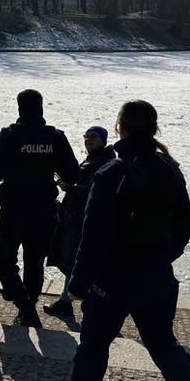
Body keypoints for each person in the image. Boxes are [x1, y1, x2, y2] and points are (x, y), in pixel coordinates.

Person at [46, 100, 190, 381]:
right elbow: (184, 226)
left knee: (93, 347)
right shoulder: (169, 168)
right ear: (153, 128)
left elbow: (92, 238)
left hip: (112, 282)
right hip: (156, 278)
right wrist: (160, 258)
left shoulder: (112, 173)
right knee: (166, 349)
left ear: (120, 128)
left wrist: (77, 284)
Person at [0, 89, 79, 328]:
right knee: (34, 263)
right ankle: (27, 305)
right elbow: (73, 173)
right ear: (41, 107)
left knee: (3, 261)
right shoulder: (55, 137)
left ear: (19, 108)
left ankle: (24, 305)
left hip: (12, 211)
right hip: (44, 213)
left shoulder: (10, 136)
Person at [44, 125, 117, 318]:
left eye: (94, 137)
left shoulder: (102, 162)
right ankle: (67, 301)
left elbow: (92, 191)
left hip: (82, 221)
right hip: (77, 218)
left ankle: (72, 303)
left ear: (103, 139)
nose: (88, 140)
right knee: (75, 261)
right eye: (86, 136)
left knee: (76, 262)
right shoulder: (95, 159)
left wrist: (68, 188)